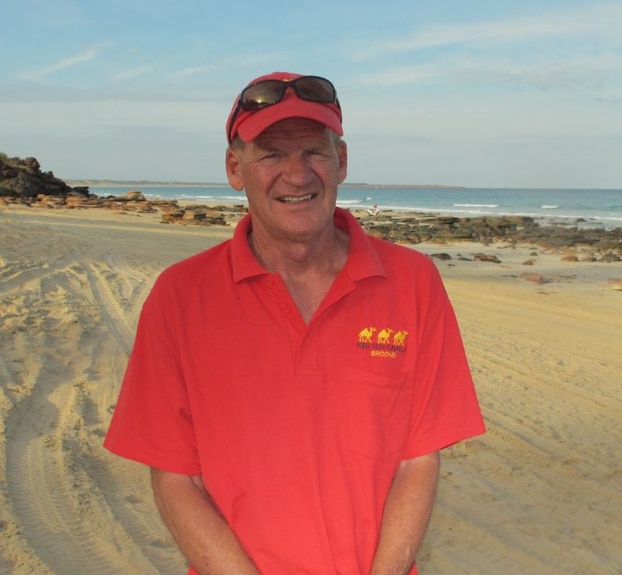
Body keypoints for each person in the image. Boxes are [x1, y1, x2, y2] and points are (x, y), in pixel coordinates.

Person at [104, 71, 485, 575]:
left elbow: (417, 462)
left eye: (314, 151)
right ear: (234, 168)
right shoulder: (180, 296)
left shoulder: (414, 282)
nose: (298, 174)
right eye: (271, 155)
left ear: (341, 161)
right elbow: (177, 478)